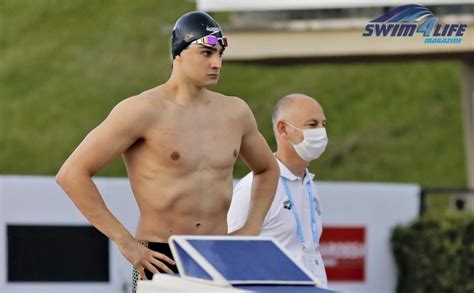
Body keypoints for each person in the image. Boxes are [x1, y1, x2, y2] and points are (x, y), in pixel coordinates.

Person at [56, 11, 279, 292]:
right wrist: (126, 242)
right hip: (160, 257)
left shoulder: (236, 112)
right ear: (179, 53)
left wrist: (252, 228)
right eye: (207, 53)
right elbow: (71, 174)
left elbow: (268, 168)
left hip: (218, 255)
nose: (217, 63)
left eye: (220, 54)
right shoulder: (142, 110)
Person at [228, 93, 329, 288]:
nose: (321, 131)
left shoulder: (308, 184)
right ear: (283, 129)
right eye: (312, 124)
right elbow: (231, 252)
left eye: (323, 124)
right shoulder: (253, 186)